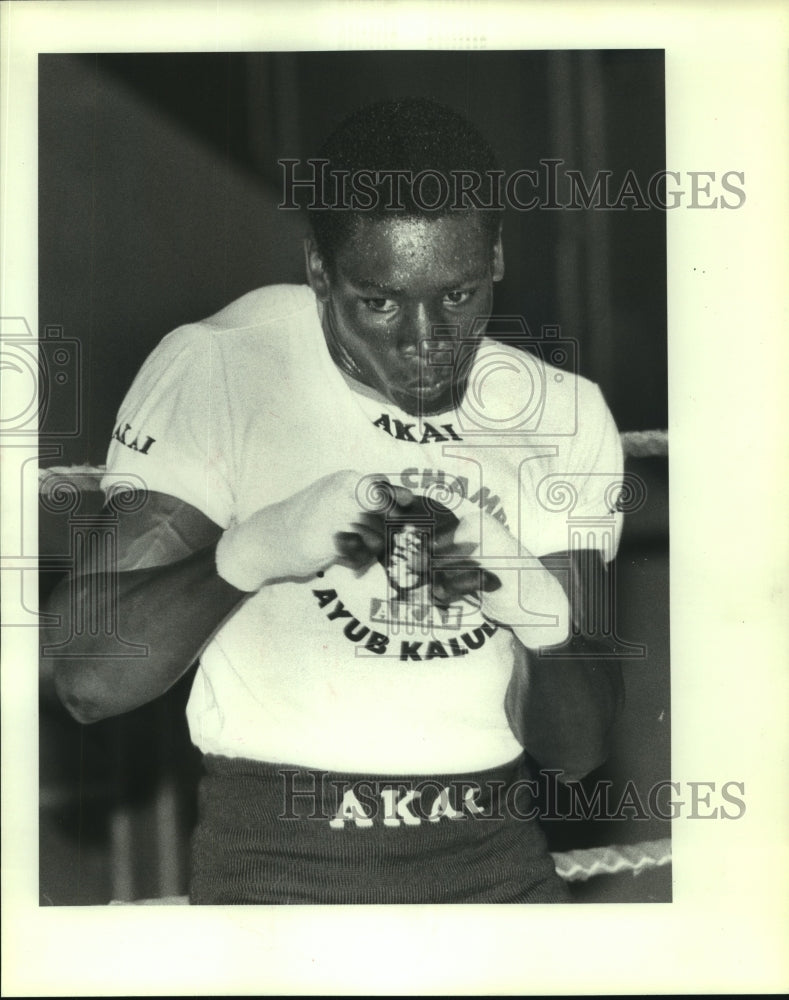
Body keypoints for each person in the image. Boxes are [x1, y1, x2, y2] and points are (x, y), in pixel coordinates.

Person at [43, 98, 625, 904]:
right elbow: (86, 679)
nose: (424, 340)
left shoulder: (557, 413)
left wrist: (536, 612)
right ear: (318, 268)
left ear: (494, 255)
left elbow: (578, 751)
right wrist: (251, 552)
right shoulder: (227, 369)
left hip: (498, 870)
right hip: (285, 872)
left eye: (455, 296)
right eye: (379, 301)